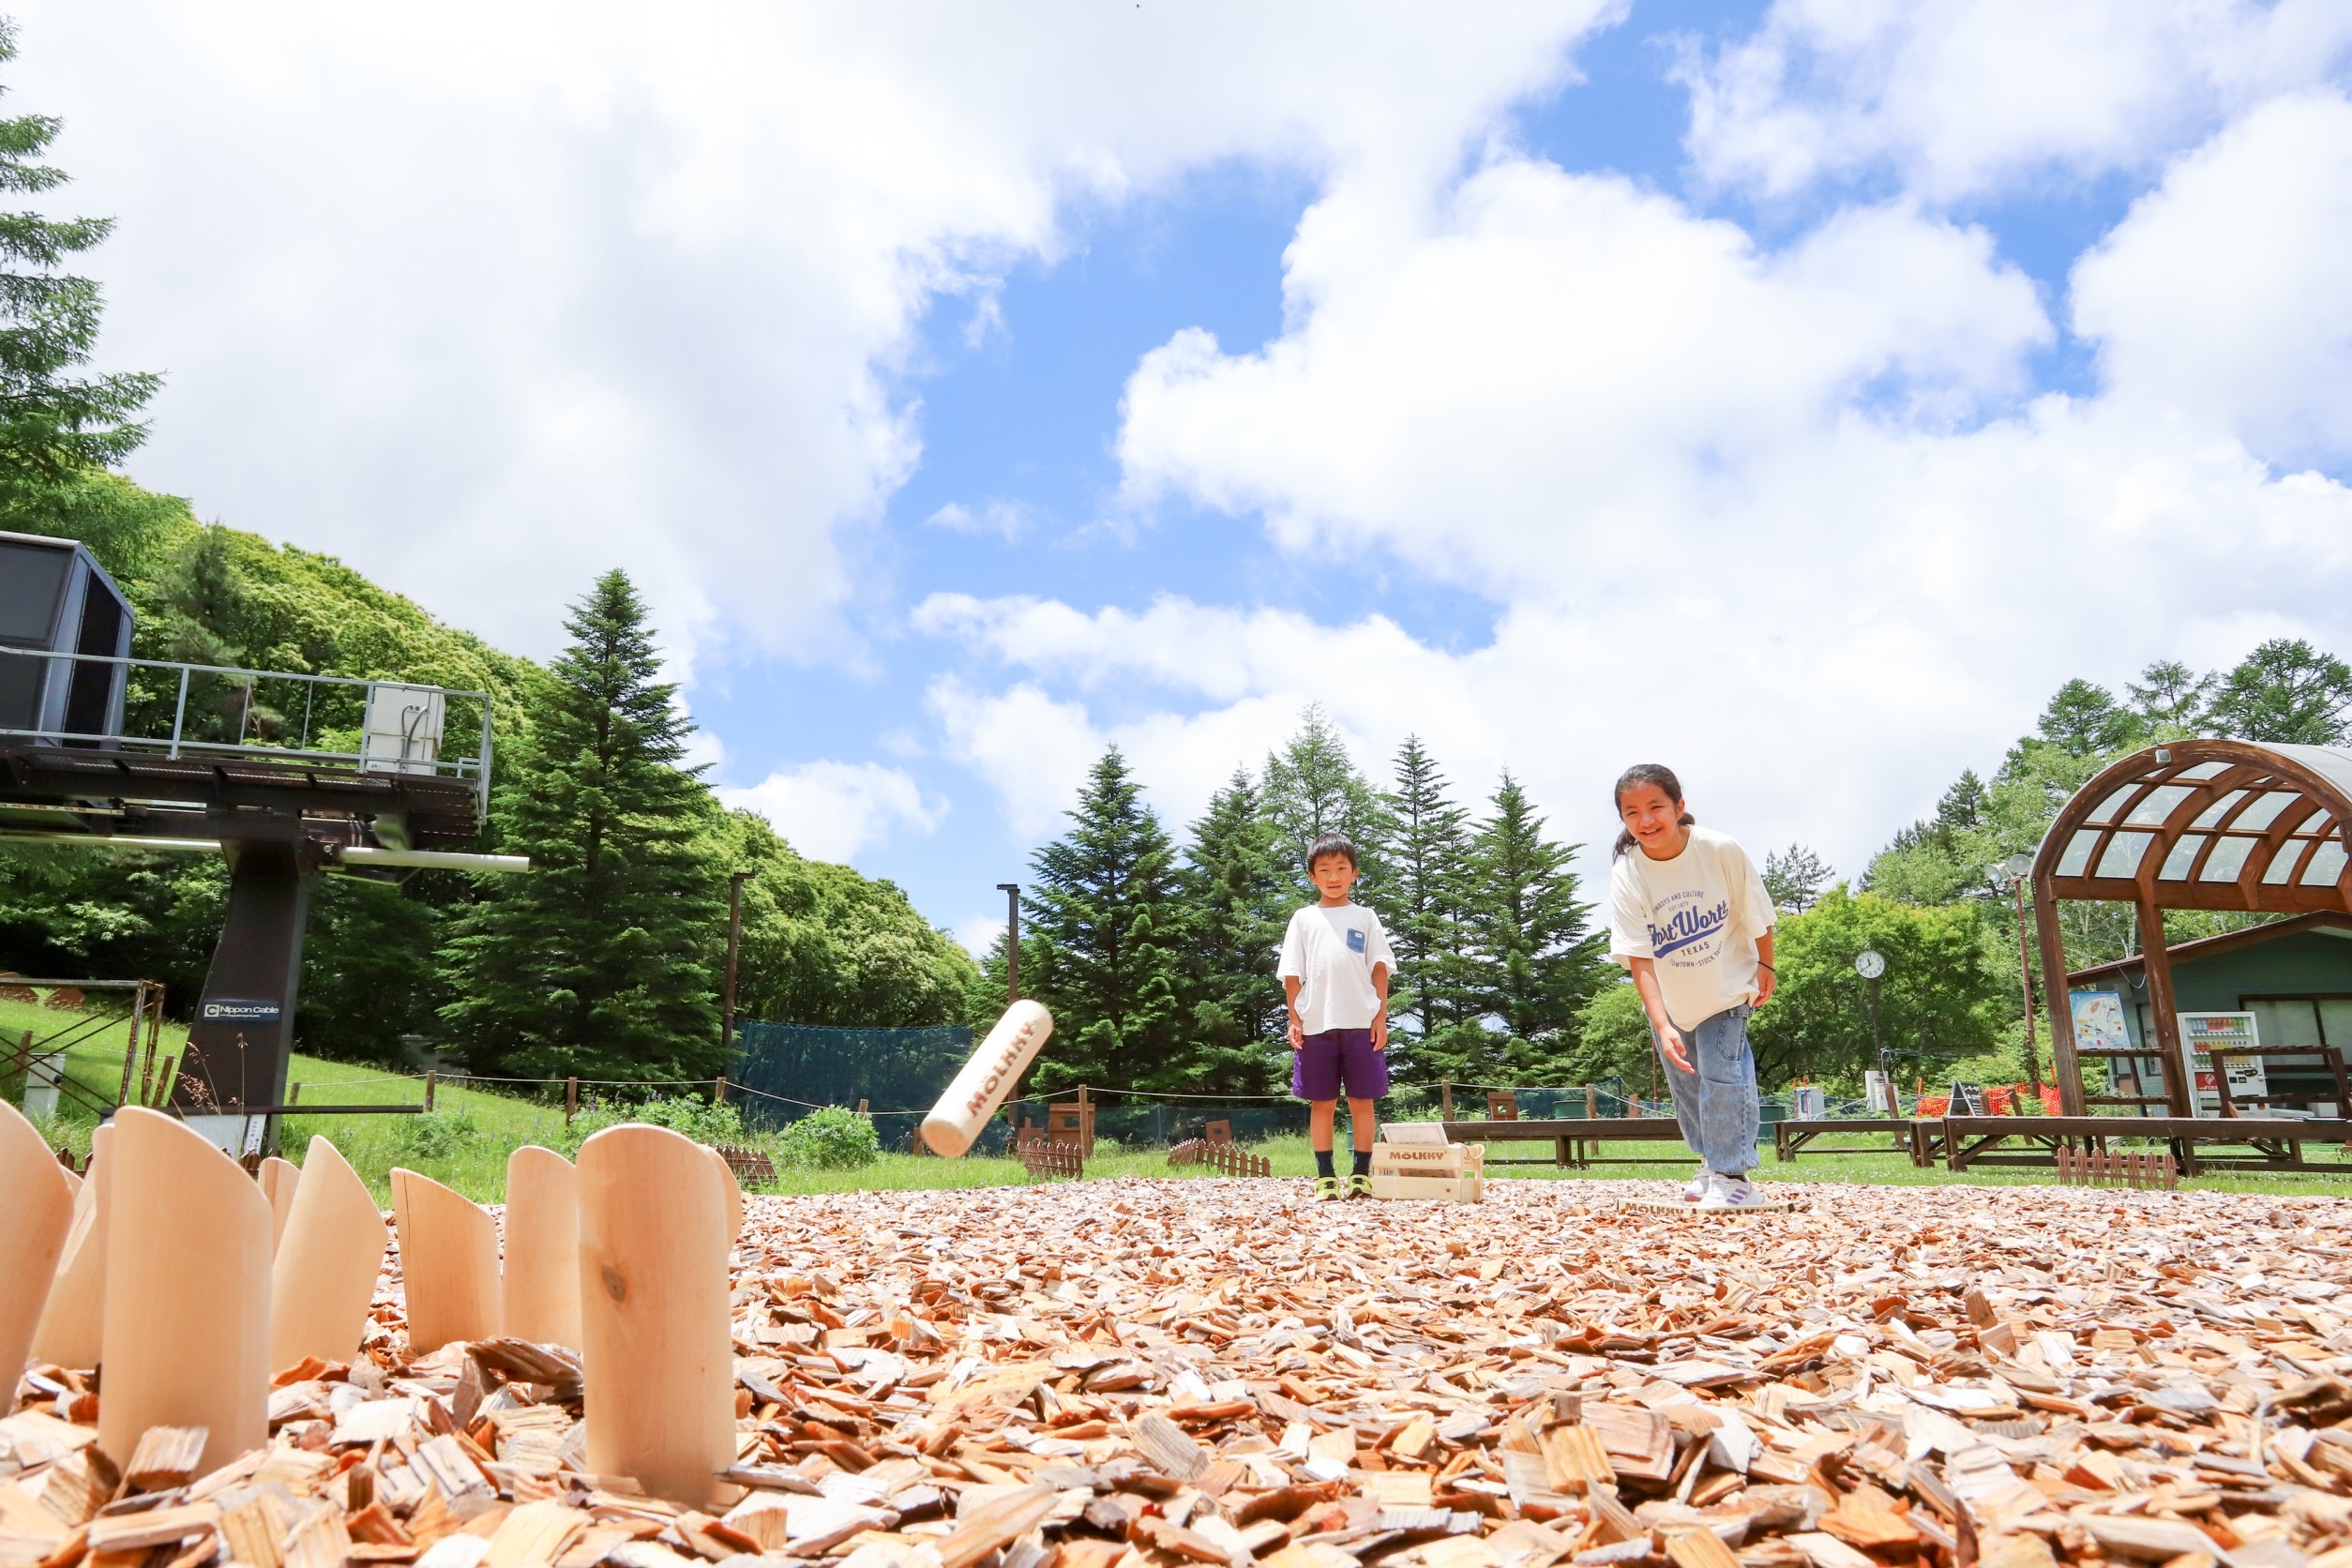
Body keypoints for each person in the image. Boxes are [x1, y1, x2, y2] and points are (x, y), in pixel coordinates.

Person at [1606, 763, 1777, 1210]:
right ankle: (1711, 1163)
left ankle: (1735, 1176)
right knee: (1686, 1083)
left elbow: (1757, 910)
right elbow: (1638, 957)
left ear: (1679, 807)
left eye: (1656, 807)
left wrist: (1767, 965)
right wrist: (1661, 1023)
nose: (1646, 820)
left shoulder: (1719, 849)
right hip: (1672, 998)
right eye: (1632, 812)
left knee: (1725, 1075)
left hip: (1726, 987)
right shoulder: (1628, 872)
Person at [1279, 832, 1396, 1200]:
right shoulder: (1303, 918)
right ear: (1312, 876)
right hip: (1316, 1024)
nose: (1333, 876)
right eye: (1324, 869)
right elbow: (1292, 973)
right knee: (1322, 1103)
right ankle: (1325, 1175)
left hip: (1363, 1022)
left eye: (1341, 868)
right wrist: (1294, 1019)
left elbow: (1380, 966)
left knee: (1363, 1101)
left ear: (1355, 873)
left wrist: (1381, 1017)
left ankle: (1362, 1173)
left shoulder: (1365, 916)